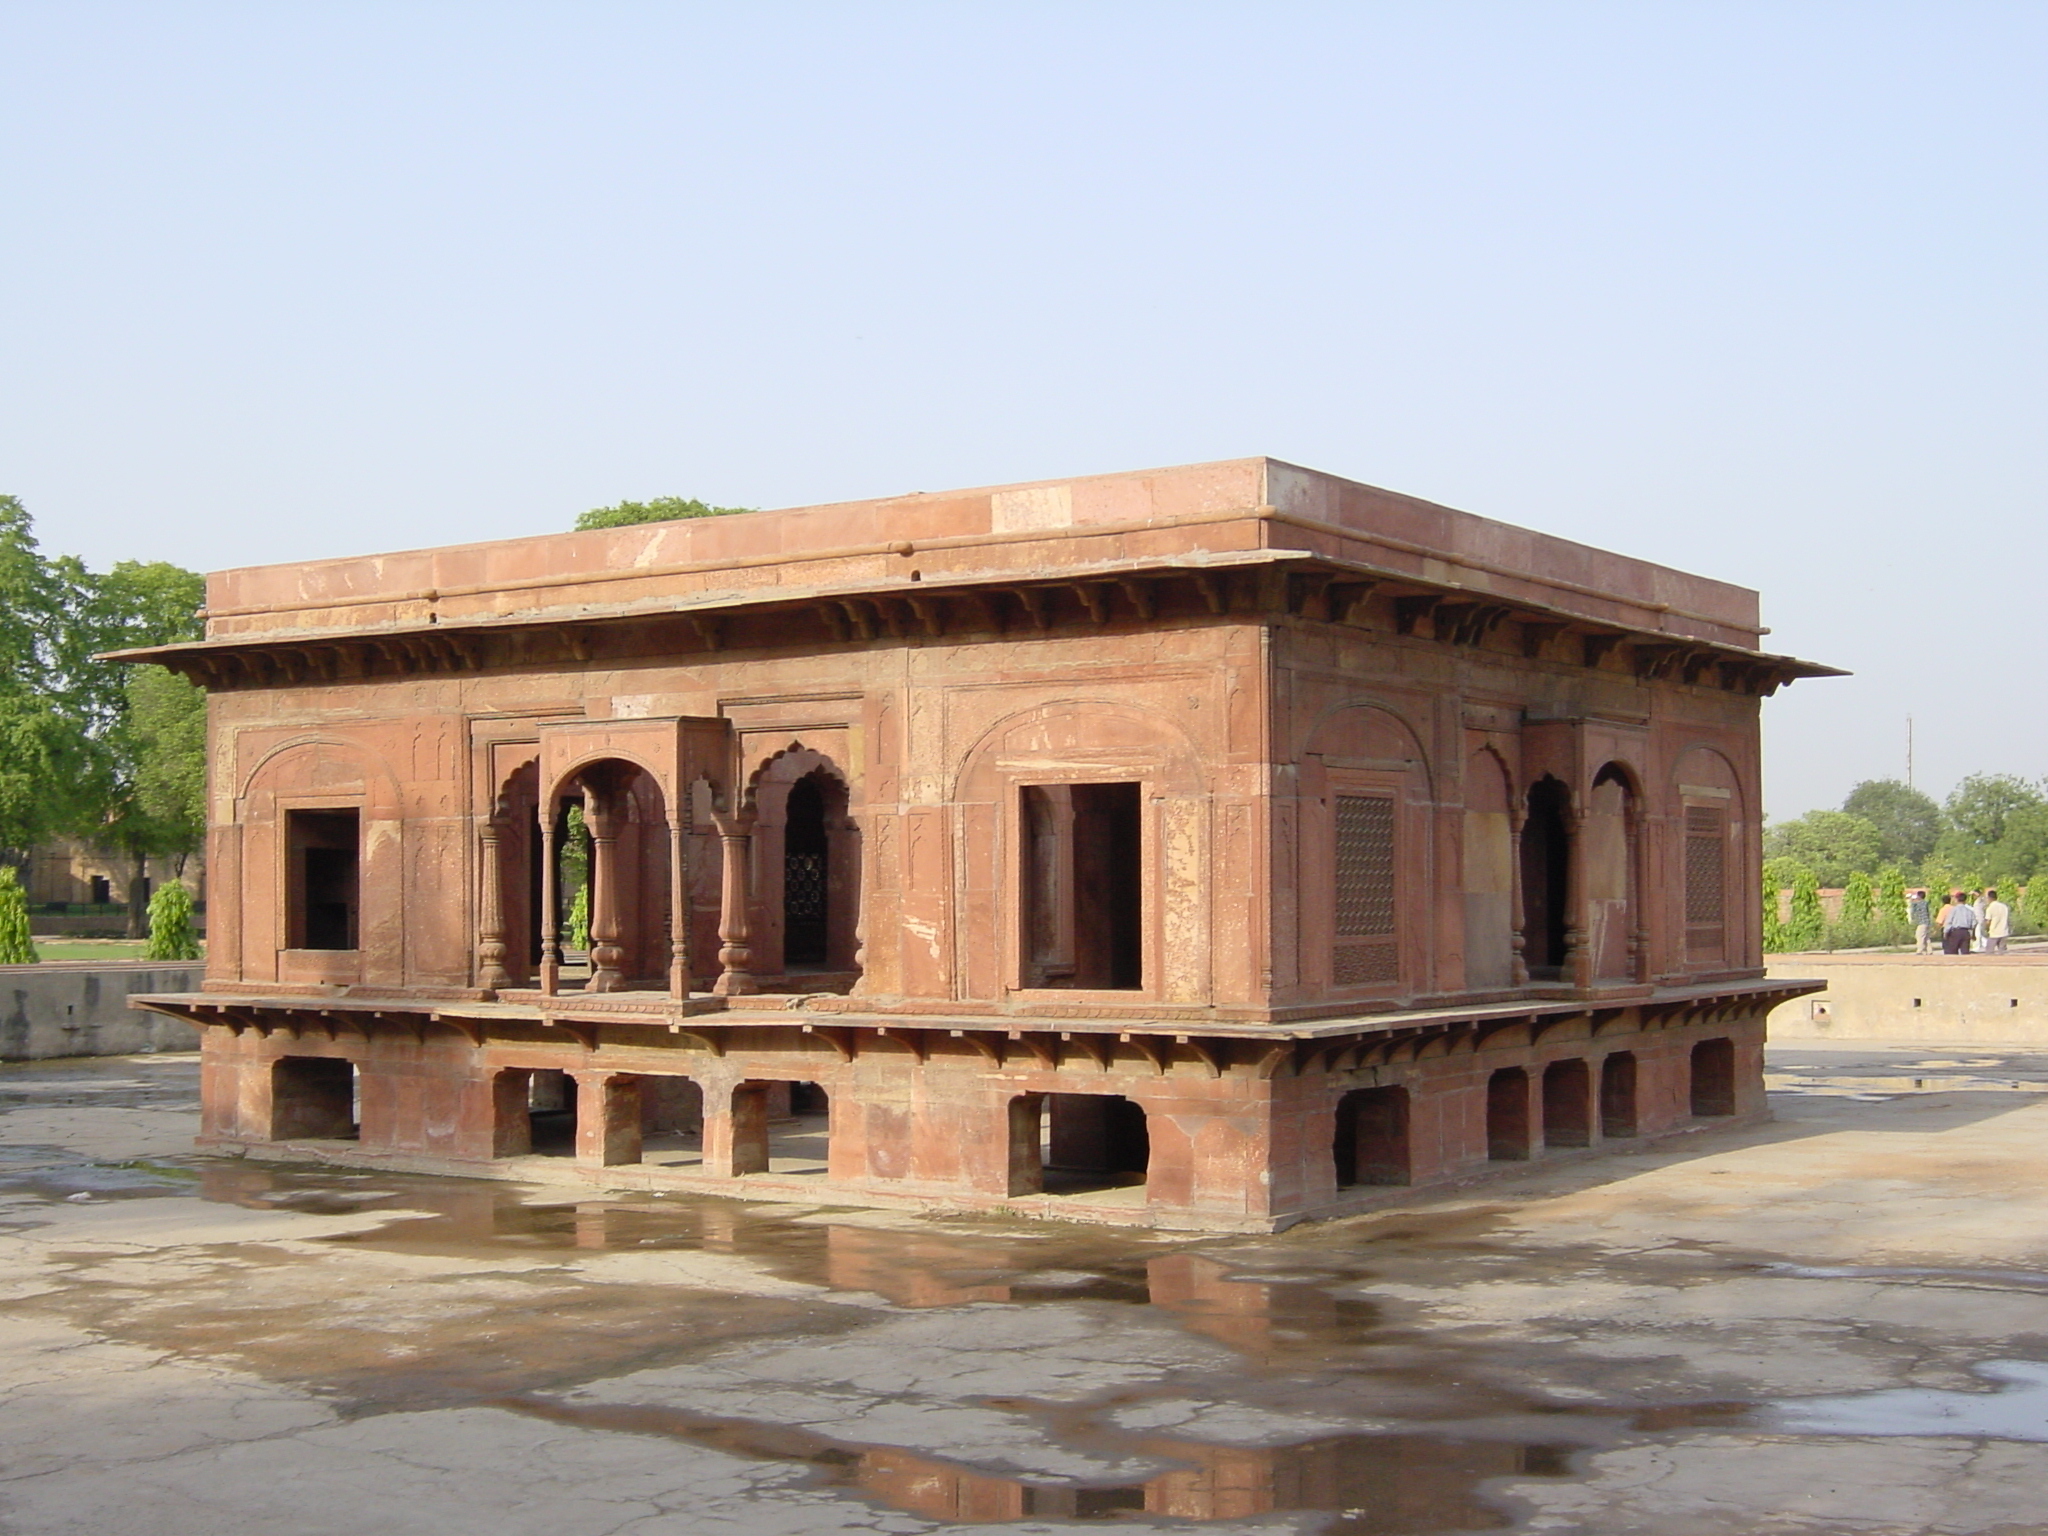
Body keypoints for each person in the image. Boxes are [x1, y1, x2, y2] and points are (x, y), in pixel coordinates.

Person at [1941, 890, 1978, 955]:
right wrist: (1973, 934)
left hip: (1956, 932)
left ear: (1957, 899)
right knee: (1965, 952)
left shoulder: (1953, 910)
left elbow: (1949, 922)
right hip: (1966, 932)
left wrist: (1945, 932)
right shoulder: (1969, 911)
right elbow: (1974, 923)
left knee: (1952, 951)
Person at [1983, 887, 2012, 954]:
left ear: (1989, 898)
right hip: (2004, 931)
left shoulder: (1990, 908)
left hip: (1994, 933)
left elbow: (1988, 921)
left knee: (1989, 952)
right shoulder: (2004, 906)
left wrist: (1986, 929)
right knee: (2002, 952)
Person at [1908, 888, 1932, 954]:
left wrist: (1911, 900)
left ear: (1919, 896)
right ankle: (1929, 950)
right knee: (1926, 937)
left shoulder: (1917, 904)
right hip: (1927, 922)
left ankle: (1920, 950)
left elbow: (1913, 910)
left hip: (1922, 922)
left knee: (1919, 936)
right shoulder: (1926, 903)